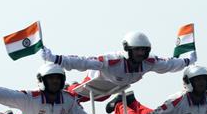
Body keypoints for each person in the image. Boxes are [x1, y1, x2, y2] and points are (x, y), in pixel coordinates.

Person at [41, 31, 192, 97]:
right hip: (92, 86)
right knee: (72, 98)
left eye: (144, 50)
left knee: (105, 96)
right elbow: (82, 61)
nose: (141, 54)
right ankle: (69, 87)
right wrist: (56, 59)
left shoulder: (149, 62)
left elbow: (169, 64)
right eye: (137, 50)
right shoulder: (111, 61)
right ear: (127, 49)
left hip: (112, 90)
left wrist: (188, 60)